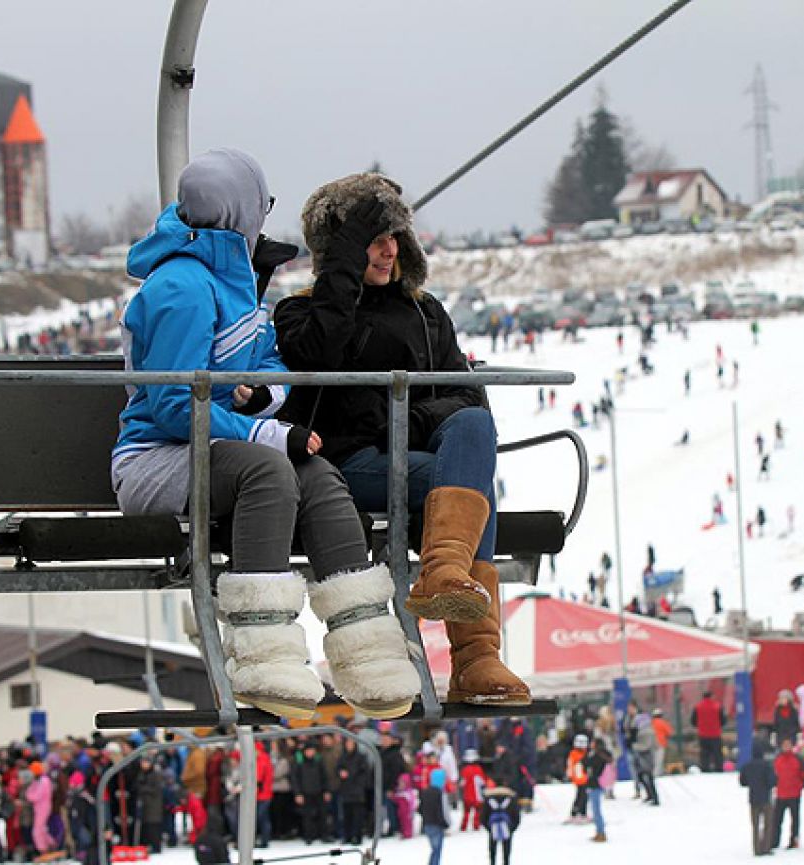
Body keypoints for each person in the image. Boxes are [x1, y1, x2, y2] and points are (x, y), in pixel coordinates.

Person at [111, 151, 418, 720]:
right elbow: (176, 404)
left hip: (221, 450)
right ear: (241, 211)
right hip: (156, 459)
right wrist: (266, 431)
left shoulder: (233, 280)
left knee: (320, 476)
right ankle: (261, 651)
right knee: (270, 468)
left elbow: (269, 362)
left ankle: (367, 650)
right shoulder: (181, 287)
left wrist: (264, 391)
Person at [274, 172, 527, 707]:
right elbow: (321, 352)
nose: (389, 251)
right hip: (347, 465)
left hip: (416, 458)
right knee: (475, 490)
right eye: (373, 240)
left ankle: (446, 573)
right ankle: (476, 658)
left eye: (395, 237)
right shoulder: (301, 313)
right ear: (341, 249)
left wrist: (406, 421)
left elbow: (468, 399)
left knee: (475, 432)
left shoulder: (426, 310)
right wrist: (341, 274)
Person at [738, 741, 776, 857]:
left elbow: (743, 782)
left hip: (753, 798)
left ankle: (757, 849)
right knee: (768, 824)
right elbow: (772, 781)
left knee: (755, 825)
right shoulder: (767, 765)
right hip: (765, 798)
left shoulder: (747, 766)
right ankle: (766, 847)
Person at [772, 739, 804, 849]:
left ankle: (794, 841)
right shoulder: (777, 759)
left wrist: (800, 786)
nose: (786, 747)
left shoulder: (798, 759)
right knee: (777, 820)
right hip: (780, 794)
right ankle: (774, 841)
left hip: (794, 794)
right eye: (784, 745)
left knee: (795, 820)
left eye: (788, 745)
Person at [480, 782, 520, 865]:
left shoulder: (488, 798)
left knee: (492, 852)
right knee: (506, 853)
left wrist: (489, 828)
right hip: (507, 827)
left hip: (493, 827)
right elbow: (516, 816)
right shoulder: (511, 798)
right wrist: (512, 828)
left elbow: (483, 816)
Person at [583, 737, 611, 843]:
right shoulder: (606, 755)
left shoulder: (597, 756)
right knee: (596, 809)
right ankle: (599, 831)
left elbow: (587, 763)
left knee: (596, 810)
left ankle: (600, 832)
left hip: (595, 784)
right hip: (601, 784)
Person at [692, 691, 726, 772]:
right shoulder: (717, 706)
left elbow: (693, 721)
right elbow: (723, 720)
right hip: (715, 734)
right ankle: (719, 768)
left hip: (703, 734)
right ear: (711, 696)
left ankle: (705, 768)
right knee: (717, 753)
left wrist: (700, 725)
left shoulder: (698, 707)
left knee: (704, 753)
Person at [420, 768, 448, 865]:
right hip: (436, 824)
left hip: (427, 824)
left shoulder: (425, 791)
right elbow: (440, 810)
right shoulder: (439, 793)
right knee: (437, 850)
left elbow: (420, 808)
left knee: (434, 849)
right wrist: (444, 823)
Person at [459, 750, 487, 831]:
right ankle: (476, 825)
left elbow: (462, 783)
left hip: (467, 795)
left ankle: (464, 826)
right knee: (477, 812)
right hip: (476, 795)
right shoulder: (478, 769)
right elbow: (482, 781)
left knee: (466, 812)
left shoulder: (465, 770)